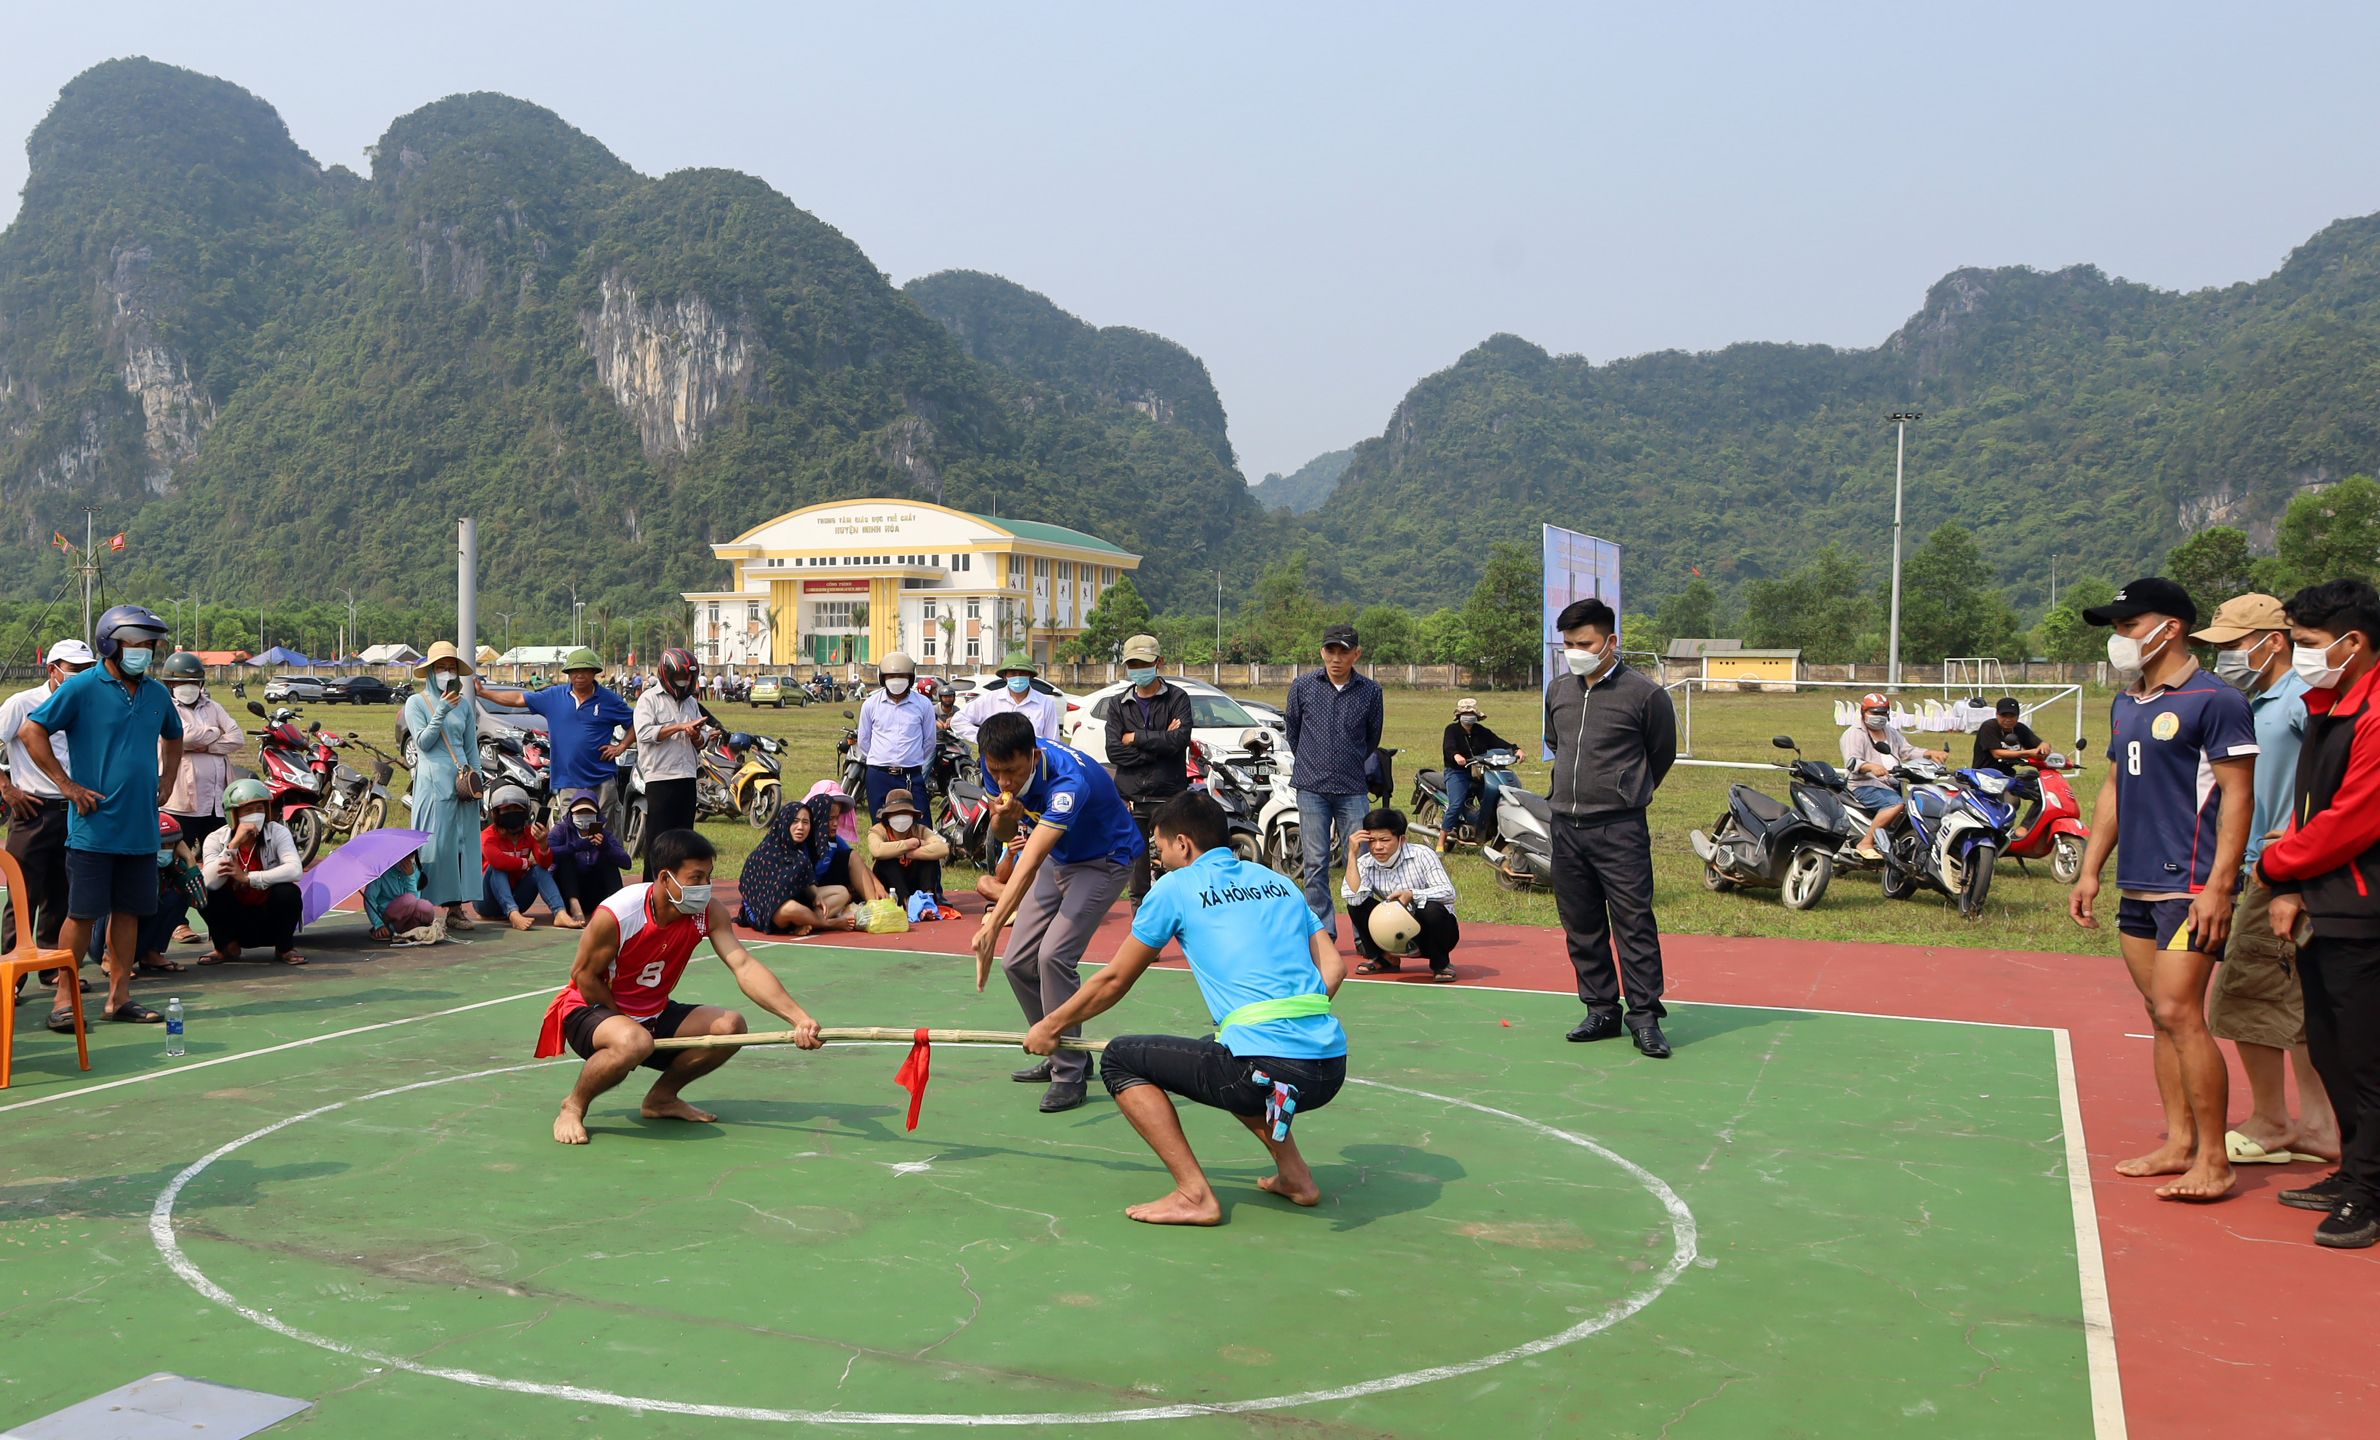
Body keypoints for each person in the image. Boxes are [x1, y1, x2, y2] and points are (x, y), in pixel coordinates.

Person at [1023, 790, 1347, 1225]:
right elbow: (1336, 967)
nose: (1158, 859)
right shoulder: (1280, 882)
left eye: (1158, 848)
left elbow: (1115, 979)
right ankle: (1297, 1177)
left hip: (1269, 1067)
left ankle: (1195, 1195)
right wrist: (1289, 1024)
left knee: (1120, 1059)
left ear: (1183, 843)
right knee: (1224, 1048)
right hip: (1329, 1064)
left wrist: (1052, 1024)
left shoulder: (1174, 888)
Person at [2069, 577, 2258, 1202]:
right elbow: (2116, 788)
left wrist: (2220, 886)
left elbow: (2238, 794)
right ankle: (2178, 1142)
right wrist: (2092, 867)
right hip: (2138, 886)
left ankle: (2214, 1160)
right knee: (2160, 1017)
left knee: (2182, 1012)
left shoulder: (2217, 700)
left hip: (2193, 885)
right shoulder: (2127, 703)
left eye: (2127, 626)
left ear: (2168, 627)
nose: (2119, 640)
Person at [534, 828, 827, 1145]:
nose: (706, 888)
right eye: (696, 878)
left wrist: (799, 1018)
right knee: (633, 1041)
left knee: (731, 1026)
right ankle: (573, 1105)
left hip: (653, 1015)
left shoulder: (707, 912)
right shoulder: (619, 913)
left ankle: (661, 1099)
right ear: (664, 879)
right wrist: (625, 1024)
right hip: (590, 1010)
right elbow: (584, 976)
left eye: (709, 878)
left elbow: (744, 965)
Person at [2257, 580, 2380, 1246]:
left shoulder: (2376, 710)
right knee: (2331, 1048)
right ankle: (2356, 1167)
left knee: (2365, 1057)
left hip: (2364, 906)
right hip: (2324, 899)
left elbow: (2355, 817)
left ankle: (2369, 1190)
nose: (2299, 654)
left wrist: (2277, 866)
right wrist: (2293, 887)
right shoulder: (2330, 701)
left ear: (2352, 641)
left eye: (2305, 643)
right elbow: (2313, 812)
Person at [972, 708, 1145, 1113]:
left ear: (1033, 755)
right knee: (1016, 962)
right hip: (1060, 857)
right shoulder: (995, 761)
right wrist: (1005, 817)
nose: (1004, 781)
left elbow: (1030, 860)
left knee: (1053, 957)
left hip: (1105, 859)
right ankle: (1058, 1049)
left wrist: (993, 925)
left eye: (1012, 771)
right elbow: (1003, 834)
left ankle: (1068, 1073)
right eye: (996, 772)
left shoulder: (1069, 781)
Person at [20, 605, 182, 1024]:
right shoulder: (83, 687)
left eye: (150, 645)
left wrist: (169, 780)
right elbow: (30, 731)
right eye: (137, 644)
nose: (145, 652)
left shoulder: (157, 693)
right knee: (82, 914)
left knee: (129, 914)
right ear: (111, 644)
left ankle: (119, 997)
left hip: (141, 827)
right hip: (94, 827)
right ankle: (63, 1001)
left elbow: (174, 736)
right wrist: (67, 785)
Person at [1544, 598, 1678, 1058]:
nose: (1576, 651)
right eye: (1568, 644)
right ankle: (1601, 1008)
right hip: (1565, 825)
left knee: (1633, 922)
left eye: (1585, 643)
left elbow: (1661, 754)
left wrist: (1626, 791)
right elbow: (1555, 743)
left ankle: (1644, 1017)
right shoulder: (1558, 690)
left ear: (1611, 642)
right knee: (1580, 924)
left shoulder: (1645, 694)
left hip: (1619, 828)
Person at [1, 640, 95, 1005]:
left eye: (86, 669)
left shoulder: (86, 704)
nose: (80, 675)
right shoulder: (22, 703)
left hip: (74, 809)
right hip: (32, 809)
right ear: (52, 669)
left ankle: (51, 966)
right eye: (73, 668)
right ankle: (13, 972)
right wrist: (6, 789)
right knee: (23, 895)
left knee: (62, 894)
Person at [1283, 622, 1384, 939]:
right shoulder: (1303, 686)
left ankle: (1365, 932)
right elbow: (1293, 730)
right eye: (1331, 650)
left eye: (1344, 651)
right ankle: (1323, 932)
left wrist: (1346, 759)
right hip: (1311, 787)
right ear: (1322, 651)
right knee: (1315, 863)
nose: (1336, 658)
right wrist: (1315, 760)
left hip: (1352, 787)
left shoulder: (1370, 691)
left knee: (1363, 860)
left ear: (1357, 654)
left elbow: (1372, 738)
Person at [476, 647, 631, 809]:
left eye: (585, 670)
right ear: (568, 674)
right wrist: (484, 693)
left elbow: (634, 723)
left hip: (601, 778)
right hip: (567, 780)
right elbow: (518, 699)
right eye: (574, 671)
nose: (579, 675)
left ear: (594, 672)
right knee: (570, 830)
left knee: (603, 831)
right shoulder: (554, 696)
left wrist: (622, 746)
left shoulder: (609, 700)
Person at [1104, 634, 1193, 904]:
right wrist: (1159, 744)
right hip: (1131, 798)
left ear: (1159, 662)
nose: (1138, 669)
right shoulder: (1118, 704)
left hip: (1169, 796)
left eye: (1144, 663)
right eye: (1133, 663)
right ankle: (1141, 937)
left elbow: (1179, 740)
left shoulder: (1178, 698)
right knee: (1137, 878)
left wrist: (1137, 738)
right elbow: (1113, 750)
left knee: (1178, 870)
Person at [403, 641, 484, 928]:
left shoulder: (464, 706)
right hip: (433, 782)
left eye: (451, 668)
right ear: (429, 672)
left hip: (463, 781)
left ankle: (455, 908)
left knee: (462, 843)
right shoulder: (416, 703)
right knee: (434, 845)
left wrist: (478, 780)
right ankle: (420, 906)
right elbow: (423, 743)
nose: (447, 673)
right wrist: (440, 711)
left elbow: (471, 745)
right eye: (441, 668)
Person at [159, 649, 244, 902]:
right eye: (182, 683)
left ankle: (219, 924)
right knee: (176, 866)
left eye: (194, 682)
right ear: (170, 685)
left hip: (215, 804)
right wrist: (215, 733)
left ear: (201, 684)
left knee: (218, 863)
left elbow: (237, 738)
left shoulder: (213, 706)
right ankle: (179, 924)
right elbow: (185, 737)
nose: (189, 687)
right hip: (180, 805)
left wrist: (204, 745)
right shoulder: (165, 708)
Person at [195, 777, 306, 965]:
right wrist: (233, 845)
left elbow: (295, 870)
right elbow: (209, 882)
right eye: (248, 810)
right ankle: (225, 947)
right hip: (235, 919)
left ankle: (285, 947)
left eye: (260, 809)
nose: (255, 815)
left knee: (289, 892)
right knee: (203, 892)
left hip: (268, 917)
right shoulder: (215, 838)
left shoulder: (278, 832)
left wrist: (248, 878)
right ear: (233, 814)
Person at [737, 791, 883, 934]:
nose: (800, 827)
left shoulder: (801, 855)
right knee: (791, 908)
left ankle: (809, 923)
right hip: (768, 910)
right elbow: (753, 889)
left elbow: (805, 881)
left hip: (799, 901)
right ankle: (828, 924)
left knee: (841, 892)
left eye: (805, 822)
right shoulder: (763, 854)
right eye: (795, 821)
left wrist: (815, 896)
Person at [1343, 807, 1461, 981]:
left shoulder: (1422, 855)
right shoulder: (1365, 863)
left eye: (1384, 840)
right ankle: (1386, 958)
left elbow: (1449, 893)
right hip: (1394, 934)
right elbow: (1354, 898)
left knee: (1431, 908)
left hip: (1432, 933)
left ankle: (1440, 964)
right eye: (1372, 841)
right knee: (1357, 905)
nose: (1377, 847)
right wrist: (1352, 855)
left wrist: (1413, 895)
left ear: (1402, 840)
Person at [1840, 692, 1949, 859]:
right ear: (1864, 712)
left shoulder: (1890, 732)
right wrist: (1871, 766)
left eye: (1883, 712)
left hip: (1892, 783)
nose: (1879, 717)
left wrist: (1929, 753)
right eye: (1875, 713)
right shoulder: (1854, 733)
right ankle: (1866, 842)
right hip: (1865, 784)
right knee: (1895, 805)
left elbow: (1908, 751)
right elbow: (1852, 761)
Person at [633, 647, 710, 882]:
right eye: (680, 678)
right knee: (659, 839)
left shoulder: (690, 703)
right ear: (666, 674)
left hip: (687, 776)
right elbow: (645, 733)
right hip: (661, 778)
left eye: (688, 678)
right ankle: (650, 888)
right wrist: (680, 727)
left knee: (685, 839)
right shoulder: (649, 699)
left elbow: (701, 739)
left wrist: (697, 735)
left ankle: (680, 886)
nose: (685, 683)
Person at [855, 651, 937, 817]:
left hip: (911, 775)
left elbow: (929, 741)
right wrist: (882, 758)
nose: (896, 680)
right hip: (879, 776)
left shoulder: (923, 704)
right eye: (891, 676)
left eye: (901, 676)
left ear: (910, 678)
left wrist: (910, 759)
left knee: (921, 823)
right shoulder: (871, 705)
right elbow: (864, 740)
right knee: (881, 825)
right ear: (883, 678)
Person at [478, 784, 570, 930]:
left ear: (525, 811)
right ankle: (513, 914)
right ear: (496, 813)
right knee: (496, 868)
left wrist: (544, 844)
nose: (512, 812)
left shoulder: (530, 833)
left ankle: (560, 912)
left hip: (517, 897)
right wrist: (527, 862)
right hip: (488, 902)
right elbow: (498, 861)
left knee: (539, 869)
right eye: (507, 809)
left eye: (517, 808)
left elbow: (544, 864)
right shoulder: (488, 835)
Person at [1439, 697, 1517, 850]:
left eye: (1471, 712)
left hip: (1480, 773)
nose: (1469, 715)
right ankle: (1441, 841)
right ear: (1459, 715)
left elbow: (1499, 742)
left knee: (1492, 800)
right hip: (1457, 772)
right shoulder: (1452, 730)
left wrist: (1515, 749)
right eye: (1465, 712)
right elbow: (1449, 747)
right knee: (1455, 806)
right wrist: (1456, 756)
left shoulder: (1482, 732)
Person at [134, 814, 206, 974]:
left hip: (140, 938)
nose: (166, 850)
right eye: (161, 845)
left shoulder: (175, 866)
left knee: (178, 897)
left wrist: (190, 860)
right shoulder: (132, 865)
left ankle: (152, 954)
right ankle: (111, 960)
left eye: (170, 844)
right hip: (110, 942)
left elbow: (200, 902)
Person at [868, 789, 955, 916]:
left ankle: (927, 901)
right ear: (887, 816)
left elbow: (942, 849)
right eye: (896, 813)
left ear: (912, 815)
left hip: (914, 882)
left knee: (929, 859)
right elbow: (877, 850)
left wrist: (908, 854)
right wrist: (912, 843)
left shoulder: (921, 830)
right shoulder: (878, 830)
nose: (901, 817)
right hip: (890, 886)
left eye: (905, 813)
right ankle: (907, 903)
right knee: (887, 861)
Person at [551, 794, 631, 921]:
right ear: (572, 813)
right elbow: (548, 854)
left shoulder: (605, 834)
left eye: (588, 811)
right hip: (566, 893)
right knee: (567, 859)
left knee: (607, 859)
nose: (584, 814)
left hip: (594, 893)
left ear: (596, 814)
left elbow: (627, 863)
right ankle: (574, 906)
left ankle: (620, 908)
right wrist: (576, 846)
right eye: (579, 811)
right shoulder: (561, 830)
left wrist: (606, 847)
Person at [952, 653, 1062, 745]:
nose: (1018, 677)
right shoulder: (990, 700)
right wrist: (986, 738)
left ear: (1030, 676)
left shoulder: (1045, 703)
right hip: (997, 763)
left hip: (1032, 763)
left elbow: (1052, 741)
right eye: (1013, 673)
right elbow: (958, 721)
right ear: (1005, 676)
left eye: (1022, 673)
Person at [363, 848, 439, 938]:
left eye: (410, 858)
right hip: (391, 919)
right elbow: (369, 898)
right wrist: (379, 924)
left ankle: (419, 928)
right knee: (408, 899)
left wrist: (410, 876)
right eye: (404, 858)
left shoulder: (415, 871)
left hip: (411, 918)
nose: (408, 862)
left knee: (425, 906)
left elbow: (416, 900)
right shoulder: (382, 873)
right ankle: (385, 928)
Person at [1970, 696, 2048, 773]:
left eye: (2012, 716)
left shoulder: (2020, 728)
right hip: (1984, 774)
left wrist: (2044, 747)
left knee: (2031, 778)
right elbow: (1997, 754)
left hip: (2007, 773)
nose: (2008, 720)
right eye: (2004, 715)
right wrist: (2028, 753)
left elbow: (2042, 744)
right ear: (1997, 714)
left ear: (2017, 716)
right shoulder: (1989, 727)